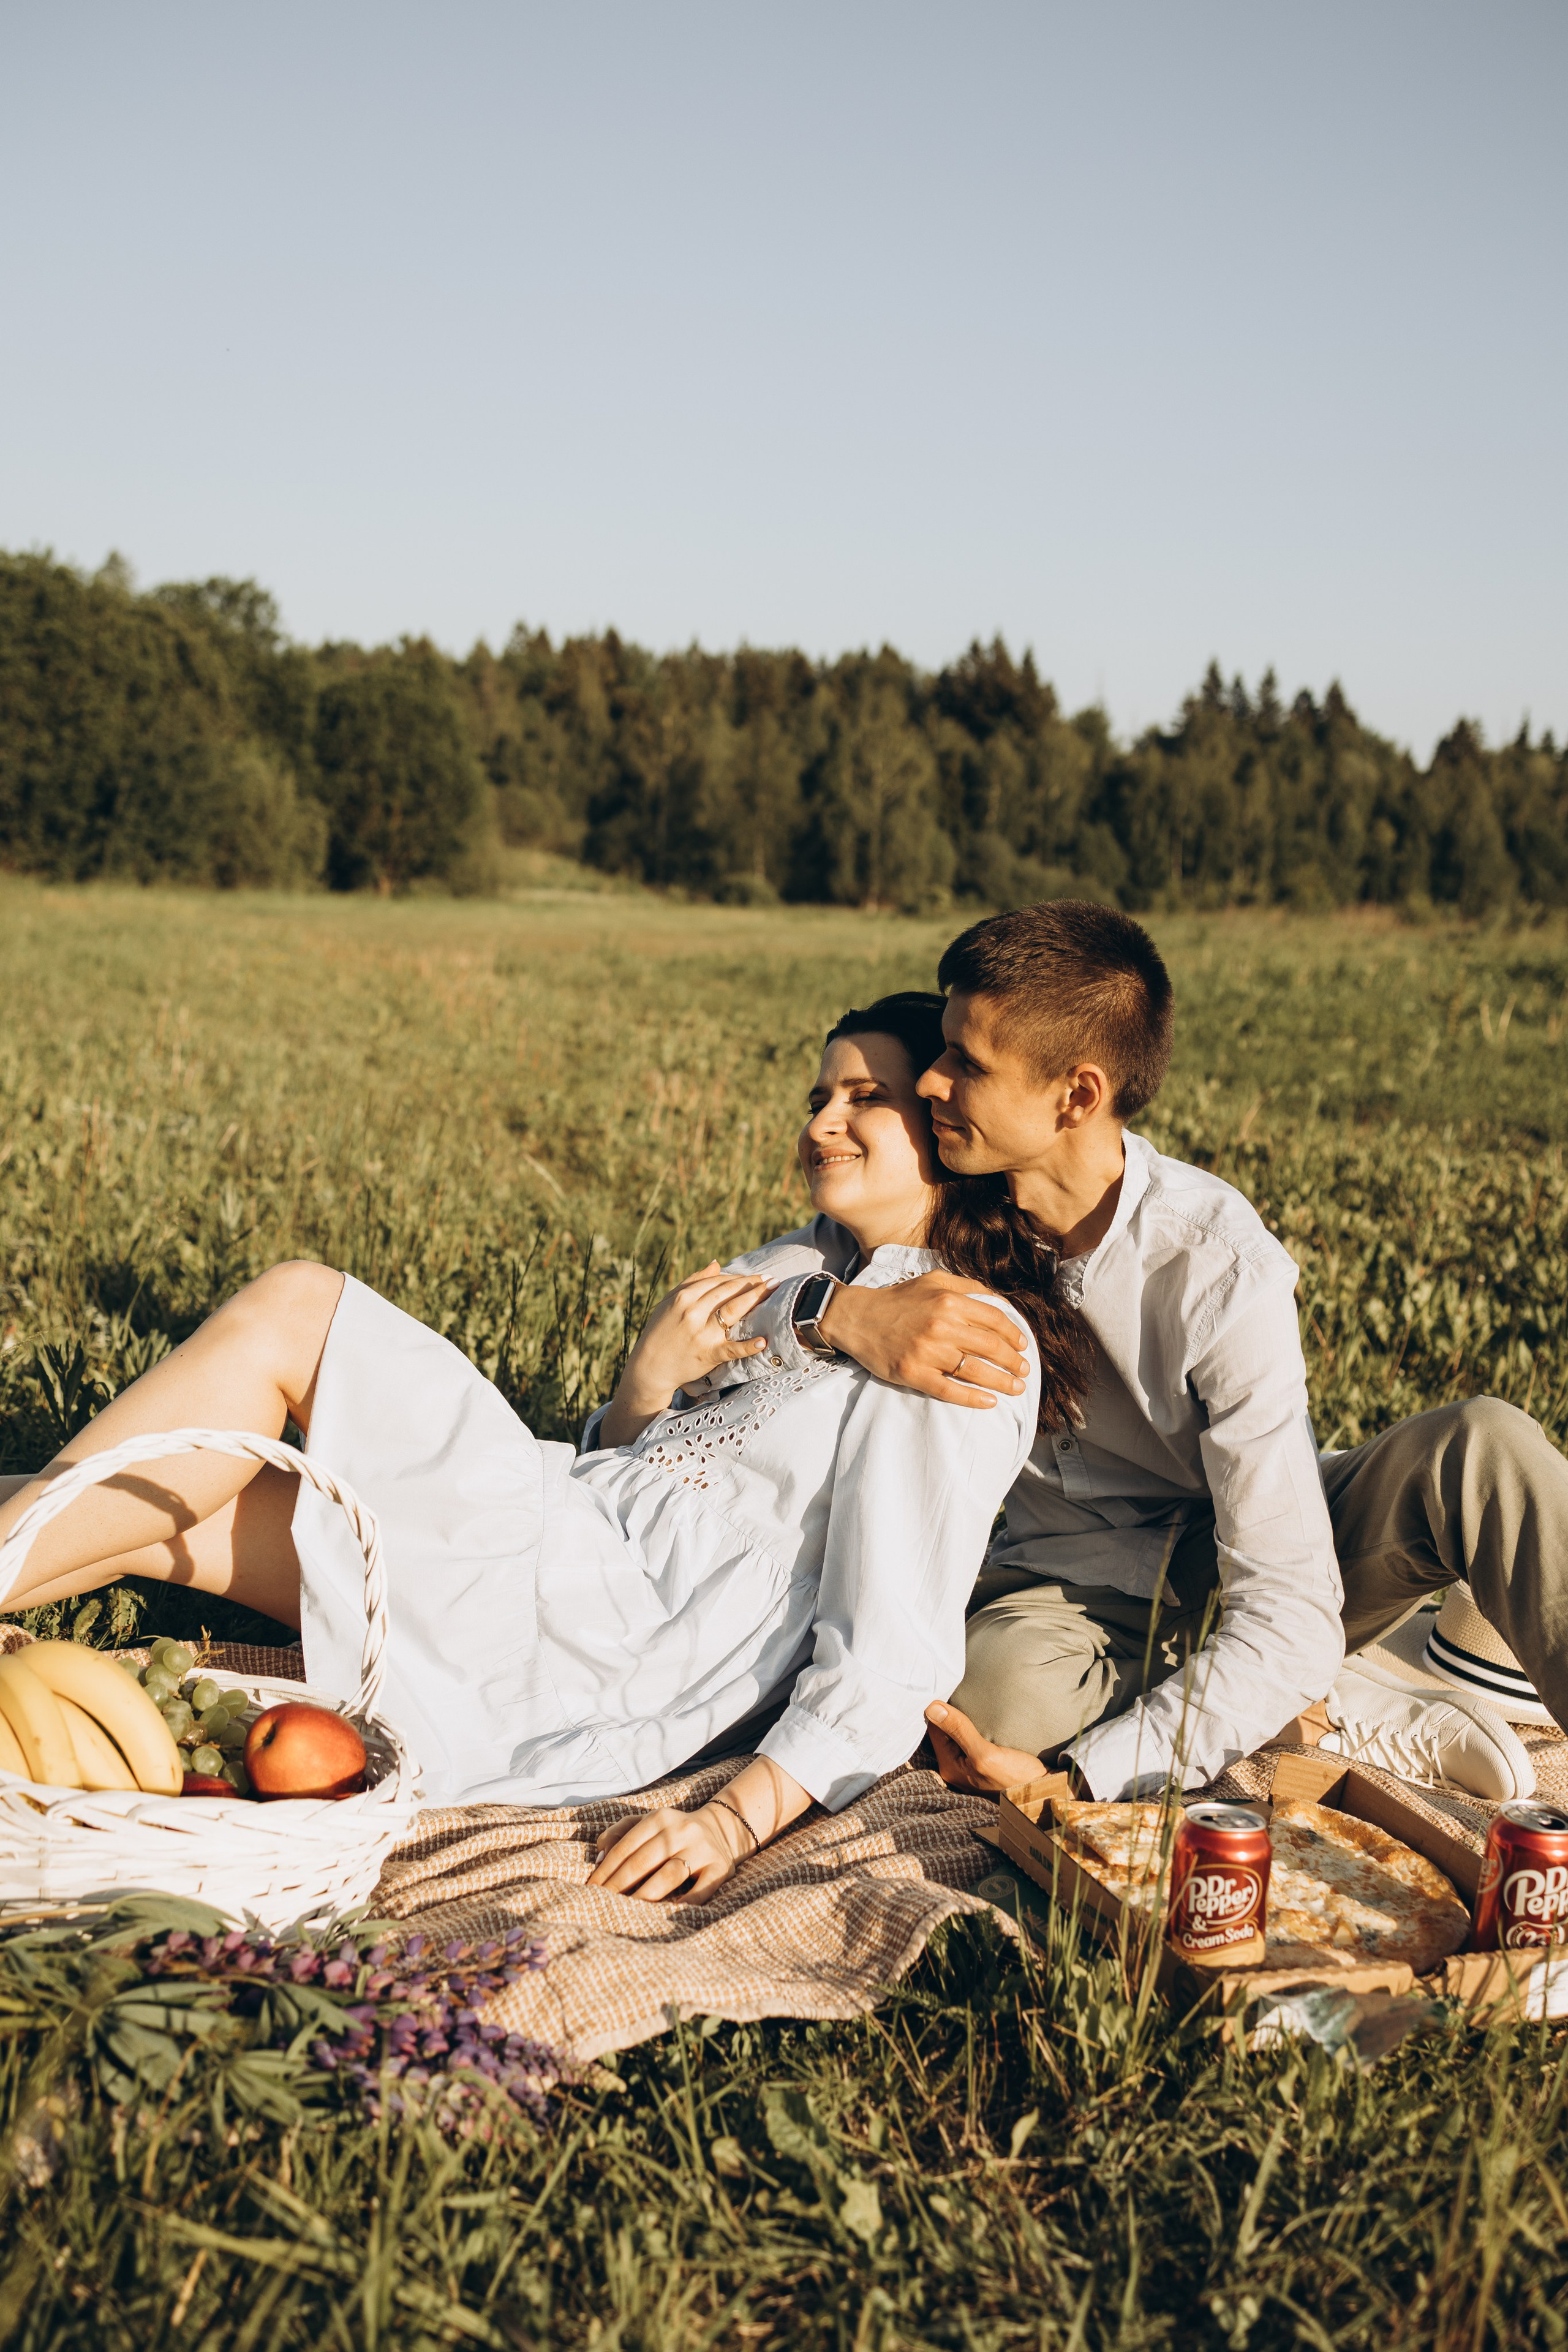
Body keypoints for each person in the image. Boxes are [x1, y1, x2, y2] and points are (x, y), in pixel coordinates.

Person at [0, 997, 1089, 1902]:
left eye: (864, 1097)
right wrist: (653, 1383)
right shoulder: (806, 1263)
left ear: (942, 1132)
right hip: (563, 1533)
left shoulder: (963, 1337)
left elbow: (893, 1641)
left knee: (299, 1307)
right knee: (151, 1503)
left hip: (609, 1635)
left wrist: (734, 1819)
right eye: (818, 1099)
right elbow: (645, 1442)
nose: (824, 1123)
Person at [723, 900, 1560, 1803]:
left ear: (1076, 1096)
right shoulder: (941, 1200)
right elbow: (720, 1309)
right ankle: (1318, 1701)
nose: (931, 1079)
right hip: (1072, 1596)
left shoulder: (1215, 1264)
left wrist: (1083, 1783)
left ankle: (1297, 1679)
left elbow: (1282, 1593)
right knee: (983, 1702)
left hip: (1246, 1542)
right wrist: (837, 1314)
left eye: (967, 1061)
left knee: (1483, 1446)